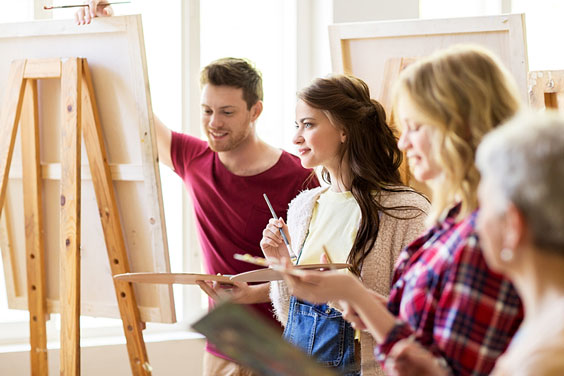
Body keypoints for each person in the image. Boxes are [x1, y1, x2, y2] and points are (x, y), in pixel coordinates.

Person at [76, 4, 319, 375]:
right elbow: (134, 104)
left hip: (284, 344)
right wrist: (101, 27)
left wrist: (256, 294)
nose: (213, 124)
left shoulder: (298, 176)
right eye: (206, 110)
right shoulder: (192, 158)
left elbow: (317, 271)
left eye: (226, 112)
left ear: (255, 111)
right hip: (223, 343)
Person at [280, 45, 525, 376]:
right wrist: (347, 295)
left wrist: (353, 295)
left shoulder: (482, 235)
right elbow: (411, 328)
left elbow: (441, 364)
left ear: (460, 127)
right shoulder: (447, 224)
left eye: (417, 126)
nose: (404, 143)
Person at [260, 74, 430, 375]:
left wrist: (345, 295)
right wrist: (281, 265)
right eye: (296, 125)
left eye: (308, 124)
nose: (296, 138)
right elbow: (292, 320)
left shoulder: (407, 211)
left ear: (344, 130)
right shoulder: (303, 206)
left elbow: (418, 321)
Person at [383, 111, 564, 376]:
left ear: (513, 226)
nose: (475, 224)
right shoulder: (542, 326)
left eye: (484, 207)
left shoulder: (542, 360)